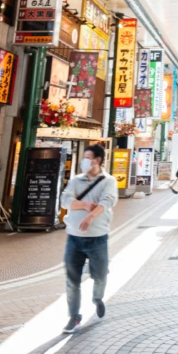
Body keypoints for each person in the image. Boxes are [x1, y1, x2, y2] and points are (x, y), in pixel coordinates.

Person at [60, 143, 119, 333]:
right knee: (72, 280)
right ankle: (74, 316)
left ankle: (97, 298)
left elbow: (107, 201)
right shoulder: (76, 180)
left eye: (88, 157)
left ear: (98, 160)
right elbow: (64, 200)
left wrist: (90, 216)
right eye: (84, 156)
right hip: (74, 238)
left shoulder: (108, 181)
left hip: (97, 238)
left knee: (100, 275)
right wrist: (84, 205)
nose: (84, 160)